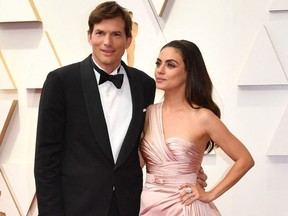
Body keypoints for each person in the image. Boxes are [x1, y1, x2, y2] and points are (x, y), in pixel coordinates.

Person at [34, 2, 207, 216]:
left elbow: (146, 143)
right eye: (100, 33)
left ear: (128, 40)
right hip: (77, 206)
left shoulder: (144, 84)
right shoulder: (61, 81)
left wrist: (189, 169)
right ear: (89, 36)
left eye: (116, 34)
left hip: (128, 204)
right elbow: (46, 159)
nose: (107, 42)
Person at [139, 40, 255, 215]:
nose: (160, 70)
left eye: (170, 65)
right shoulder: (149, 114)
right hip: (149, 205)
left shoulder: (203, 117)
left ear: (189, 72)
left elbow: (245, 159)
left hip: (185, 206)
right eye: (158, 63)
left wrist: (210, 195)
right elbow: (135, 165)